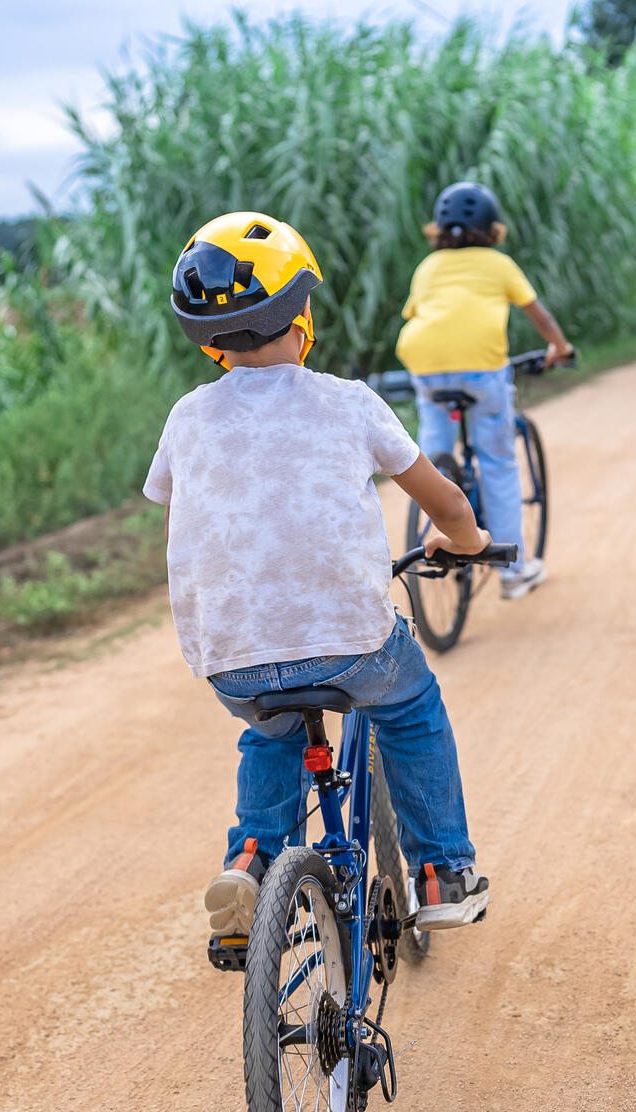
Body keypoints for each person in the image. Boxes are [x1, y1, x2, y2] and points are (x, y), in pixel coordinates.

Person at [143, 211, 494, 943]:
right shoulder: (348, 400)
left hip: (229, 655)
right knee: (408, 706)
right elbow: (449, 504)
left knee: (271, 724)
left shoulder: (186, 417)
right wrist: (464, 539)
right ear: (301, 312)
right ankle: (441, 871)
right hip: (349, 645)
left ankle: (253, 857)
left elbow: (189, 521)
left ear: (208, 340)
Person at [397, 181, 574, 599]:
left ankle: (438, 528)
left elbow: (418, 313)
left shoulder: (428, 266)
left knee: (434, 454)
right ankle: (512, 572)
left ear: (438, 228)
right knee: (496, 461)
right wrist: (560, 348)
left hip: (425, 362)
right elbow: (540, 316)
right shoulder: (498, 264)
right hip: (481, 368)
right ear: (492, 227)